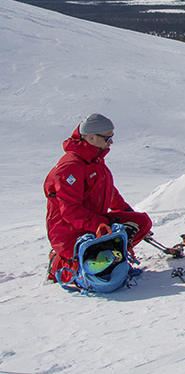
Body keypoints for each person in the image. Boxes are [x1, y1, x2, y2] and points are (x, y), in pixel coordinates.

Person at [44, 113, 152, 283]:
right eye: (107, 138)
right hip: (69, 233)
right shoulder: (71, 166)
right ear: (91, 137)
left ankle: (109, 257)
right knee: (101, 276)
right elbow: (71, 212)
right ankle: (61, 264)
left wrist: (126, 213)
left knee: (141, 223)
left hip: (92, 224)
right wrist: (106, 226)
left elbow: (108, 191)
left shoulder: (94, 160)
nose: (111, 142)